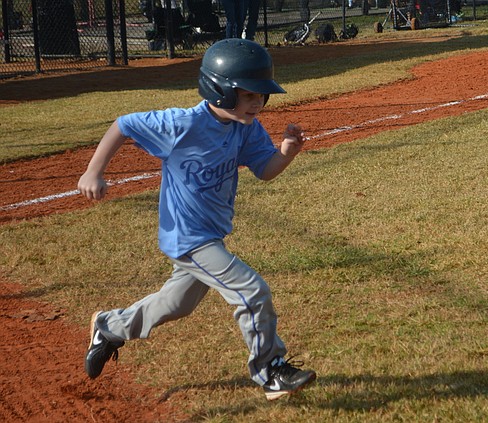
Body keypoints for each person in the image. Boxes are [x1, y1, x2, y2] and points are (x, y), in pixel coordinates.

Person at [77, 39, 316, 401]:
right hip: (188, 237)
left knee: (176, 305)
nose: (258, 104)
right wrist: (94, 172)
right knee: (252, 291)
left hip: (211, 236)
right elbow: (123, 124)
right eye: (249, 95)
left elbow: (265, 170)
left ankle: (110, 327)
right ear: (219, 90)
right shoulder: (180, 124)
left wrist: (285, 153)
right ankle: (270, 370)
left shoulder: (245, 127)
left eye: (262, 97)